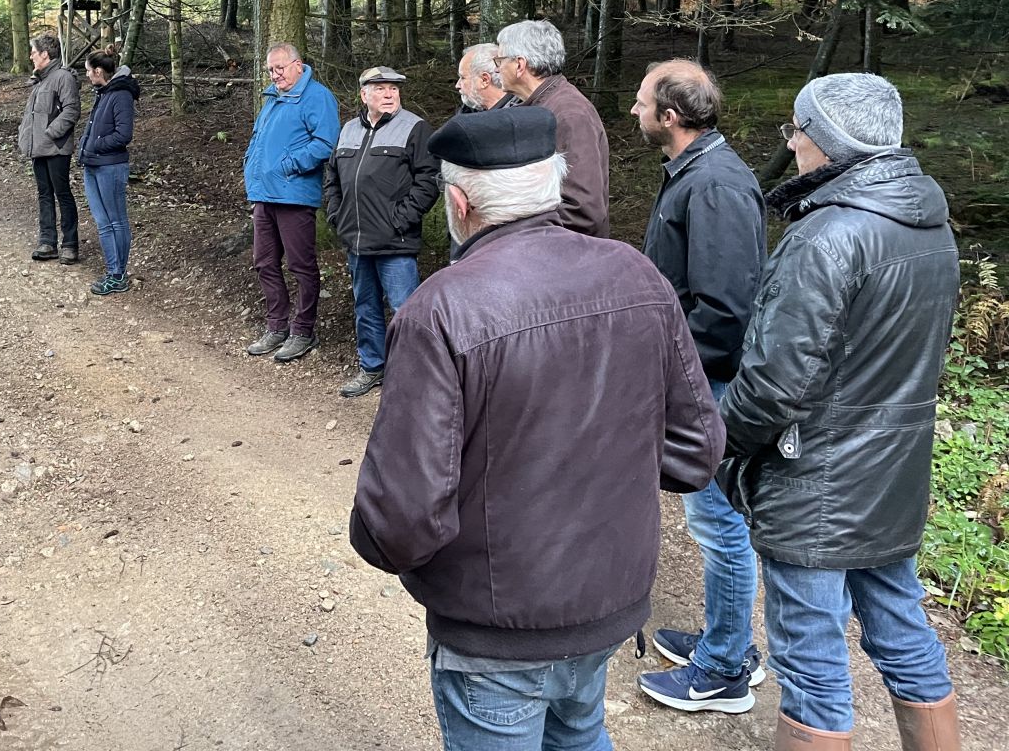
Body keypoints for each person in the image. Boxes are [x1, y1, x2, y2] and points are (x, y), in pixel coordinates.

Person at [350, 107, 723, 751]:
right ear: (554, 182)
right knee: (580, 732)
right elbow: (696, 454)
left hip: (498, 628)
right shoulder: (639, 277)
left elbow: (401, 516)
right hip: (610, 600)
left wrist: (384, 548)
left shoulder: (439, 309)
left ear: (458, 203)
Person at [718, 73, 961, 751]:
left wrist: (722, 445)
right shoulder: (931, 222)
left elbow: (772, 384)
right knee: (903, 629)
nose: (791, 143)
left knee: (812, 663)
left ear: (824, 143)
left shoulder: (827, 235)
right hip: (894, 474)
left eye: (797, 131)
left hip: (816, 480)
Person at [629, 60, 768, 714]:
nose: (633, 111)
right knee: (713, 519)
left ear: (672, 116)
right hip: (695, 379)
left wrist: (676, 379)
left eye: (641, 102)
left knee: (719, 523)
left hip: (706, 384)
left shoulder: (713, 184)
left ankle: (725, 669)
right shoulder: (696, 171)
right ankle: (725, 637)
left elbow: (725, 312)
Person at [322, 66, 439, 398]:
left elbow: (428, 181)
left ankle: (415, 378)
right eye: (381, 89)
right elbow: (332, 178)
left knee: (406, 311)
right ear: (364, 94)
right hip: (357, 241)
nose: (389, 94)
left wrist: (400, 219)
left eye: (394, 89)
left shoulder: (415, 128)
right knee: (365, 306)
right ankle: (372, 367)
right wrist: (336, 214)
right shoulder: (347, 130)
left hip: (395, 242)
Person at [242, 43, 340, 364]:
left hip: (294, 195)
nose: (275, 74)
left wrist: (289, 164)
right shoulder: (272, 97)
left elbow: (326, 142)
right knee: (265, 262)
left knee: (301, 266)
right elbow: (258, 139)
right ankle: (276, 326)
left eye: (280, 68)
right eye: (271, 69)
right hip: (263, 195)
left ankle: (303, 330)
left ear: (298, 65)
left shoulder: (317, 96)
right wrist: (250, 165)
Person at [494, 20, 610, 236]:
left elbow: (583, 212)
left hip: (568, 259)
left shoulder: (569, 114)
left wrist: (516, 232)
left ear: (520, 65)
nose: (496, 68)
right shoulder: (541, 105)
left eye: (500, 60)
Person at [76, 47, 141, 295]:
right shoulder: (102, 92)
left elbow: (124, 134)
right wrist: (86, 148)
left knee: (116, 221)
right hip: (92, 165)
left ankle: (118, 274)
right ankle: (112, 270)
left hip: (110, 167)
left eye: (88, 72)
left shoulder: (120, 94)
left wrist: (96, 144)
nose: (87, 77)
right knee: (103, 222)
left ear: (99, 71)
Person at [19, 33, 82, 263]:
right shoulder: (40, 80)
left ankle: (70, 244)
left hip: (56, 148)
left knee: (62, 194)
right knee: (44, 194)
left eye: (34, 52)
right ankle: (47, 242)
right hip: (38, 149)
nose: (31, 56)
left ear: (45, 54)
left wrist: (50, 134)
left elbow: (71, 111)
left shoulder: (62, 78)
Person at [455, 43, 517, 114]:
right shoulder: (468, 111)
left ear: (485, 80)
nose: (457, 85)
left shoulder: (517, 116)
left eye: (463, 77)